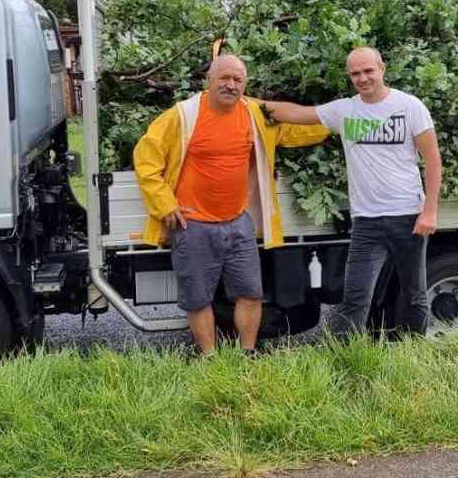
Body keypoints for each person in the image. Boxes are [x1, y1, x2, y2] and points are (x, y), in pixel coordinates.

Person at [133, 54, 329, 354]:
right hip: (193, 224)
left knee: (250, 294)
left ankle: (247, 353)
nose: (231, 84)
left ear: (245, 84)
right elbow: (146, 157)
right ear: (209, 81)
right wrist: (165, 204)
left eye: (238, 79)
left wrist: (340, 121)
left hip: (238, 222)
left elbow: (294, 130)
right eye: (224, 77)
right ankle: (210, 359)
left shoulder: (254, 114)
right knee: (198, 299)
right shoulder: (182, 116)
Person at [261, 46, 442, 336]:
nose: (363, 78)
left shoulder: (410, 106)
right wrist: (249, 103)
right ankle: (346, 358)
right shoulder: (345, 110)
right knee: (356, 297)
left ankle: (415, 355)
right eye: (355, 73)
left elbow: (433, 160)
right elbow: (298, 113)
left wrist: (429, 211)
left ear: (382, 69)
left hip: (408, 216)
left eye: (368, 70)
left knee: (415, 294)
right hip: (366, 222)